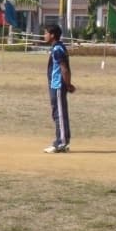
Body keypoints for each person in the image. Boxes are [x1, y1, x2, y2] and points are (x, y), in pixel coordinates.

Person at [44, 24, 75, 153]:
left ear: (52, 35)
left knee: (59, 114)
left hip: (58, 86)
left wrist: (68, 84)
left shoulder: (57, 49)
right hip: (56, 85)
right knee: (59, 113)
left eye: (46, 33)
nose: (44, 35)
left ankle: (61, 142)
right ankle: (63, 140)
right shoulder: (57, 48)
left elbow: (64, 69)